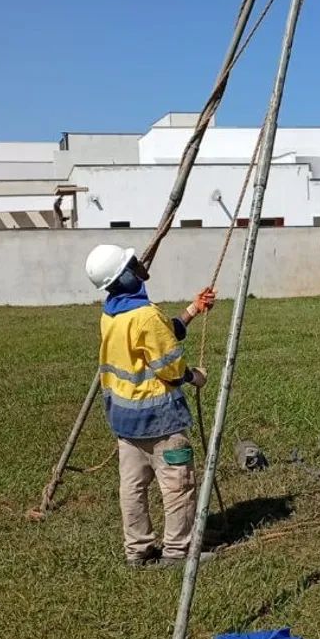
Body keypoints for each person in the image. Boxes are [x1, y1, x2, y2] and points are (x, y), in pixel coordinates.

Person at [85, 243, 217, 569]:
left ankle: (139, 551)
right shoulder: (146, 315)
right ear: (125, 275)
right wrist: (193, 376)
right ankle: (178, 552)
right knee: (178, 485)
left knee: (133, 487)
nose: (139, 267)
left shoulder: (112, 314)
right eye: (132, 264)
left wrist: (193, 309)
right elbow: (169, 365)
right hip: (161, 421)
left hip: (125, 421)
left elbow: (160, 334)